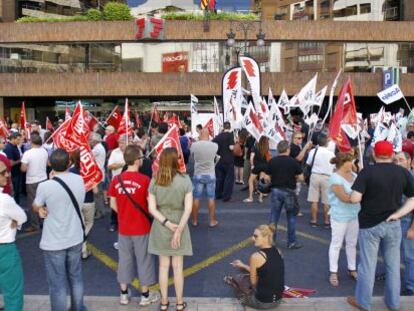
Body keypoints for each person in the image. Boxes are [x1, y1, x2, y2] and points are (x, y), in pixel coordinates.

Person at [347, 141, 414, 311]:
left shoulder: (367, 172)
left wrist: (352, 192)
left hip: (369, 225)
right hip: (393, 224)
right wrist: (399, 214)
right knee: (393, 265)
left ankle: (364, 302)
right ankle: (393, 303)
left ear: (374, 155)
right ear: (391, 155)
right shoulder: (402, 172)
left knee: (368, 266)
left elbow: (354, 198)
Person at [33, 148, 86, 311]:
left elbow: (36, 205)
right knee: (75, 277)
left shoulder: (45, 186)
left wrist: (39, 209)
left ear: (50, 164)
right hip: (75, 236)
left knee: (57, 283)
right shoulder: (79, 180)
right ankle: (78, 308)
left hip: (54, 240)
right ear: (69, 163)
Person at [108, 145, 158, 306]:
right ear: (137, 160)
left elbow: (112, 204)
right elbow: (151, 206)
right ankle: (145, 295)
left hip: (124, 228)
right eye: (141, 158)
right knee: (144, 260)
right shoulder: (145, 180)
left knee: (124, 260)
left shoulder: (116, 180)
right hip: (142, 227)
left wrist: (123, 213)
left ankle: (123, 294)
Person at [147, 147, 193, 311]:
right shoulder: (185, 179)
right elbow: (188, 209)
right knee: (178, 267)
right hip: (180, 223)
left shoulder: (155, 180)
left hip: (161, 226)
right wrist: (179, 230)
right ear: (176, 160)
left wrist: (167, 223)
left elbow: (152, 209)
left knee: (163, 267)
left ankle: (164, 302)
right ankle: (180, 303)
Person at [224, 224, 284, 309]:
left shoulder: (256, 256)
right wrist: (243, 266)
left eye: (256, 236)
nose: (252, 238)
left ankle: (233, 283)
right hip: (278, 300)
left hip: (262, 303)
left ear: (265, 237)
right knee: (259, 275)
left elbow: (253, 283)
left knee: (240, 280)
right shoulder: (278, 251)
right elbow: (266, 272)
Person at [327, 153, 360, 287]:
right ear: (344, 163)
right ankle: (333, 271)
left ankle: (352, 268)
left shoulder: (355, 176)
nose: (353, 163)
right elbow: (344, 198)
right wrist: (360, 196)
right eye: (351, 161)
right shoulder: (335, 178)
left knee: (352, 243)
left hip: (354, 214)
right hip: (339, 215)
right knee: (336, 244)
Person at [266, 140, 303, 249]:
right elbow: (301, 178)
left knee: (274, 216)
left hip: (276, 190)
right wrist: (294, 177)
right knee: (291, 217)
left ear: (278, 149)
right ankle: (291, 242)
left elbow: (267, 178)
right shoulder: (293, 162)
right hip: (289, 191)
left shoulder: (272, 161)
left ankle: (270, 241)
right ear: (288, 150)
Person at [0, 159, 27, 311]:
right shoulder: (5, 200)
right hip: (5, 249)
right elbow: (22, 217)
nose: (7, 175)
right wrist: (16, 221)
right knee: (13, 294)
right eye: (3, 173)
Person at [392, 151, 414, 296]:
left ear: (409, 161)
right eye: (395, 160)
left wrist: (412, 228)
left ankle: (410, 287)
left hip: (408, 222)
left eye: (400, 160)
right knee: (392, 253)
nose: (398, 163)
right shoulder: (395, 177)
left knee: (409, 256)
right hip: (394, 221)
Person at [190, 128, 219, 227]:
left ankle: (194, 221)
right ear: (209, 134)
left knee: (196, 198)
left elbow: (192, 156)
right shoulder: (214, 145)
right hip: (210, 174)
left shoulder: (194, 145)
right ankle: (212, 221)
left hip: (198, 173)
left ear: (200, 134)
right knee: (211, 198)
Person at [69, 150, 95, 260]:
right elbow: (96, 190)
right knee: (89, 223)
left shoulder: (70, 171)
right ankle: (82, 242)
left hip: (76, 201)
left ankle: (82, 247)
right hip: (88, 200)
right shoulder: (89, 171)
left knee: (80, 224)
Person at [21, 134, 49, 232]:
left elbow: (23, 169)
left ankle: (35, 225)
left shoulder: (27, 153)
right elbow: (47, 163)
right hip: (43, 179)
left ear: (31, 142)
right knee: (43, 201)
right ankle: (44, 221)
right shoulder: (44, 151)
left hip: (32, 181)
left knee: (33, 203)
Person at [306, 134, 335, 228]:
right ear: (326, 142)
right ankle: (327, 221)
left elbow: (308, 163)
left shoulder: (313, 151)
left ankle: (314, 220)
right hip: (327, 177)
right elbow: (334, 167)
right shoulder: (331, 154)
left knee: (314, 200)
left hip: (315, 175)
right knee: (326, 201)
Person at [107, 134, 127, 232]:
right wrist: (122, 164)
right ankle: (113, 223)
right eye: (119, 142)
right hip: (116, 181)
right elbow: (110, 166)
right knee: (114, 203)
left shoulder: (131, 152)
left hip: (128, 182)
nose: (120, 144)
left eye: (122, 143)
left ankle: (124, 222)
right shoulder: (115, 152)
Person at [244, 136, 271, 204]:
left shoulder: (255, 146)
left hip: (257, 166)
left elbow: (251, 157)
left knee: (250, 180)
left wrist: (252, 165)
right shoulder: (267, 147)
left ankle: (250, 197)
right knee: (261, 182)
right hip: (265, 166)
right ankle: (260, 198)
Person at [213, 121, 235, 202]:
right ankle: (226, 196)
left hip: (219, 160)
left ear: (223, 127)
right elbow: (231, 147)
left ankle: (218, 194)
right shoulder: (230, 135)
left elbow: (213, 144)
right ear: (229, 127)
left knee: (219, 178)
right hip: (228, 160)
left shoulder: (218, 136)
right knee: (228, 179)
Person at [89, 132, 107, 220]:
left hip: (97, 174)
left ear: (95, 141)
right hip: (99, 173)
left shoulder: (97, 149)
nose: (90, 141)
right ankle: (100, 211)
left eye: (91, 140)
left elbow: (88, 156)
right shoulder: (99, 147)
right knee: (98, 193)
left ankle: (100, 212)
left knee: (97, 195)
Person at [4, 132, 22, 204]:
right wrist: (20, 160)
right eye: (18, 139)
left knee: (17, 192)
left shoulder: (15, 146)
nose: (19, 141)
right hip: (13, 175)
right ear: (12, 139)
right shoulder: (9, 148)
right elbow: (10, 163)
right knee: (14, 192)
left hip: (17, 173)